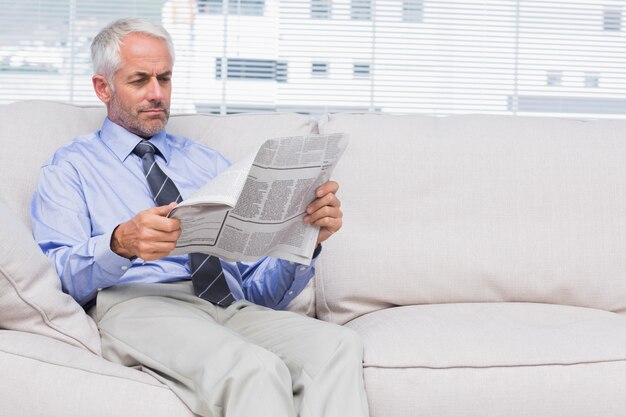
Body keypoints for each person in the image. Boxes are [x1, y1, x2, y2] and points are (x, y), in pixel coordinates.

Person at [30, 18, 369, 417]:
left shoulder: (209, 163)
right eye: (140, 80)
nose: (157, 94)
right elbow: (55, 277)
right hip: (142, 305)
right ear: (103, 88)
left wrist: (306, 236)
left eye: (165, 78)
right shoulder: (71, 167)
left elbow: (260, 292)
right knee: (253, 370)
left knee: (337, 347)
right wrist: (119, 243)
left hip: (228, 307)